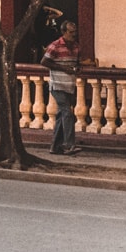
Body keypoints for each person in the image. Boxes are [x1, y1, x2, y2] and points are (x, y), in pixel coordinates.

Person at [42, 19, 81, 156]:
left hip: (69, 85)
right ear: (64, 32)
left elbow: (76, 62)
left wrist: (76, 68)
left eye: (75, 32)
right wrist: (63, 68)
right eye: (71, 32)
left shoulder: (76, 47)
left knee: (61, 116)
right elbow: (45, 61)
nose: (74, 35)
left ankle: (55, 146)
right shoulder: (55, 45)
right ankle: (69, 144)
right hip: (57, 84)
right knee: (67, 113)